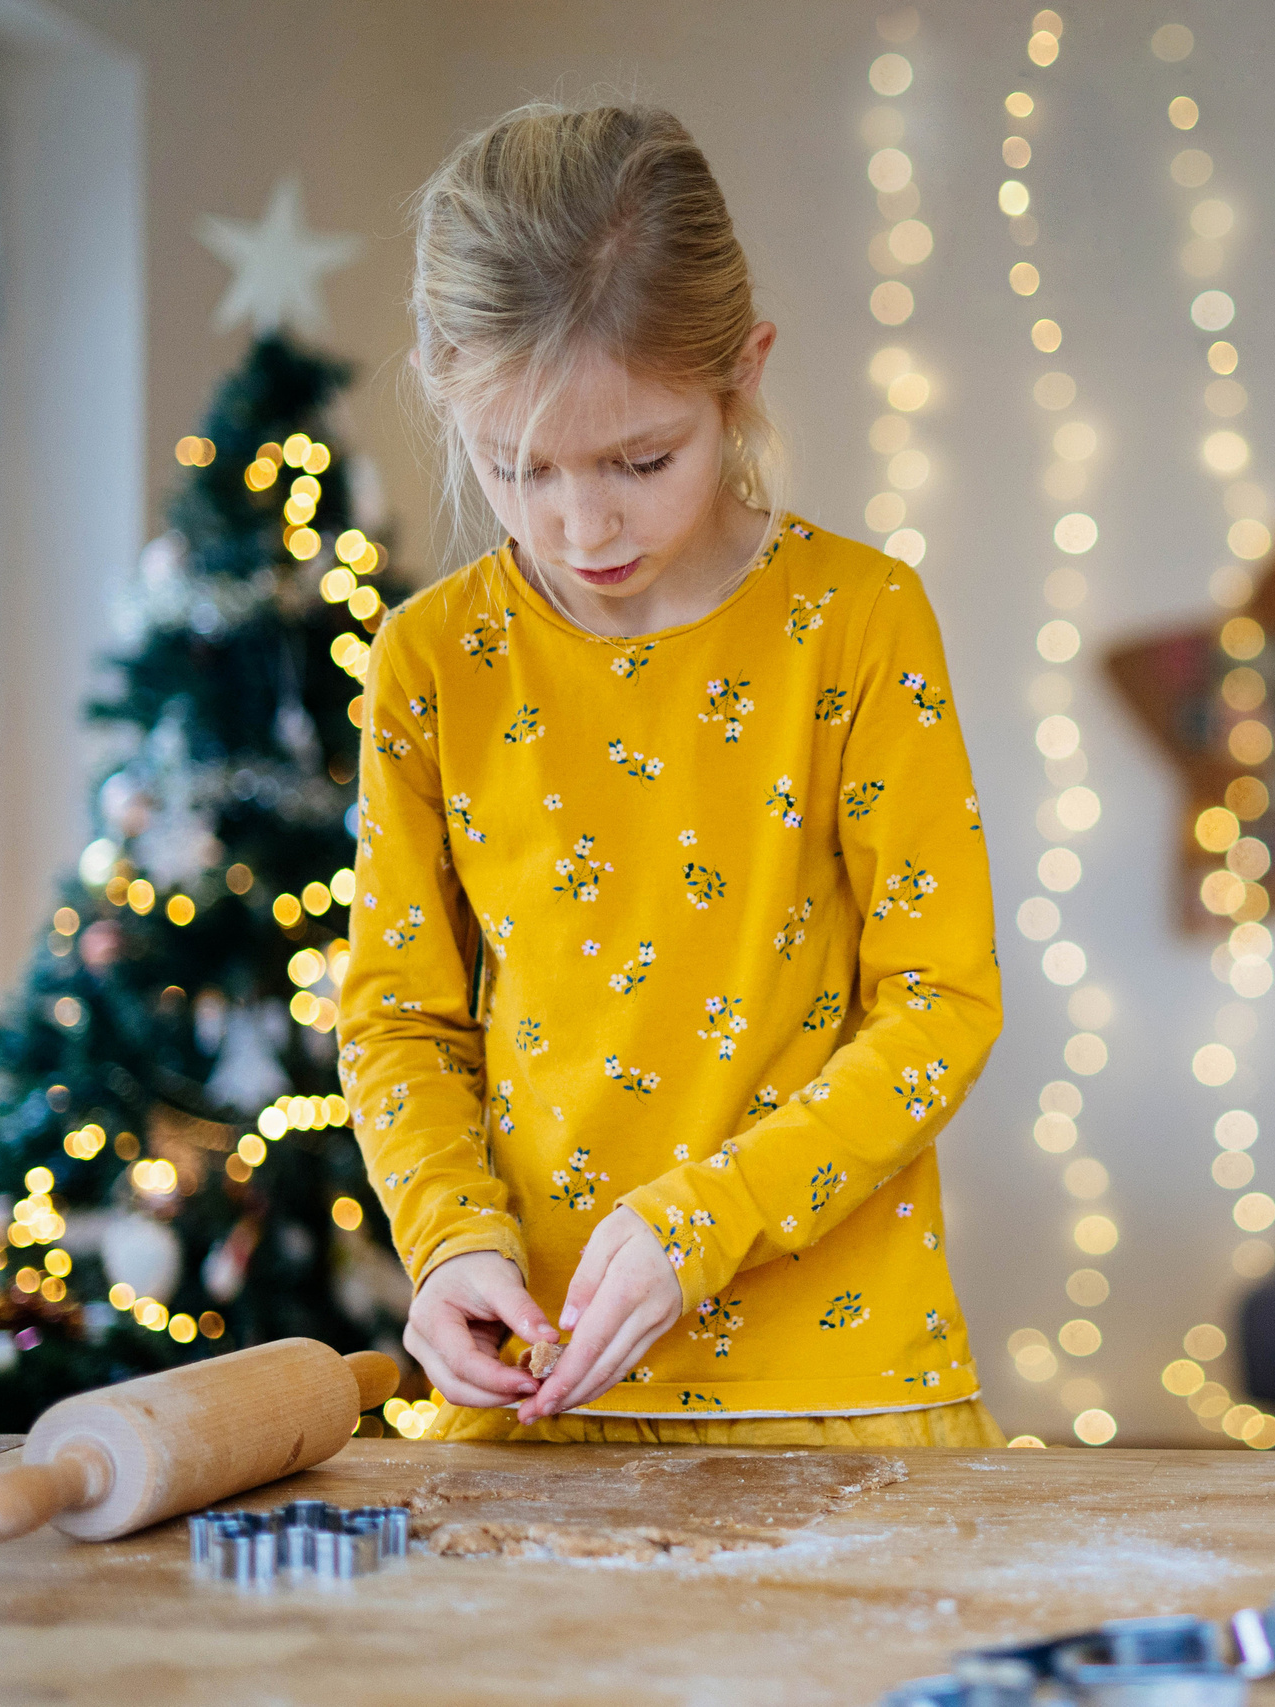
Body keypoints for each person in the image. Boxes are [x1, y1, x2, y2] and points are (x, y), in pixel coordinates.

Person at [337, 102, 1004, 1446]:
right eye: (516, 466)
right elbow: (400, 1016)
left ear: (743, 374)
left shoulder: (859, 622)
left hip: (842, 1387)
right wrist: (451, 1236)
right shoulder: (431, 659)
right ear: (439, 385)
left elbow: (941, 1004)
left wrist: (705, 1217)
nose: (581, 523)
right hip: (541, 1391)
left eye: (642, 461)